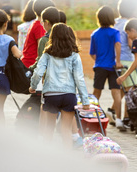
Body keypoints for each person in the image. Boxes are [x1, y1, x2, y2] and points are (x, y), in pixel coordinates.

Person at [29, 23, 90, 148]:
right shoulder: (74, 56)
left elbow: (38, 72)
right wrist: (85, 100)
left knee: (49, 128)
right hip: (69, 95)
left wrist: (33, 86)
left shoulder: (47, 55)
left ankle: (46, 156)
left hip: (51, 95)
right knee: (66, 129)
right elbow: (79, 78)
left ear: (53, 37)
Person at [107, 0, 137, 129]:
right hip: (127, 59)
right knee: (131, 90)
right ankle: (127, 118)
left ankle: (111, 110)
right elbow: (130, 43)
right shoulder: (129, 24)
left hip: (116, 60)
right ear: (132, 10)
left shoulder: (114, 23)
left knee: (122, 89)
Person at [28, 6, 60, 140]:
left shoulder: (44, 40)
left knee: (45, 108)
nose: (42, 24)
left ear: (47, 22)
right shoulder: (67, 37)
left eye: (42, 22)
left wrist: (30, 69)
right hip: (65, 80)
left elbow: (41, 61)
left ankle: (43, 137)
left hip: (49, 80)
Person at [89, 6, 123, 131]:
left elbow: (92, 53)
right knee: (116, 93)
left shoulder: (95, 34)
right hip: (113, 67)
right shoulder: (115, 32)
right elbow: (118, 44)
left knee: (96, 93)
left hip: (100, 67)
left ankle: (92, 118)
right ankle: (119, 120)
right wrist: (118, 61)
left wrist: (99, 60)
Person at [21, 0, 55, 68]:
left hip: (28, 64)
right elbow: (42, 49)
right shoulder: (40, 26)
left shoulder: (36, 23)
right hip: (31, 65)